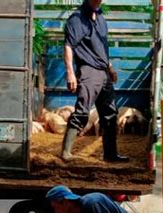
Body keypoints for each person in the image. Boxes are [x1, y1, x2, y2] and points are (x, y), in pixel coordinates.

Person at [62, 0, 128, 162]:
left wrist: (110, 67)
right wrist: (70, 73)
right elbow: (69, 46)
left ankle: (110, 154)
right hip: (88, 70)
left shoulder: (101, 19)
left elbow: (102, 48)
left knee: (110, 114)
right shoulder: (76, 19)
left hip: (103, 72)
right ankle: (65, 152)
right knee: (83, 110)